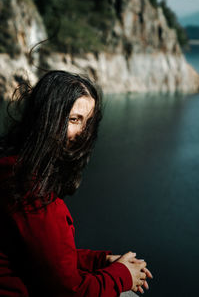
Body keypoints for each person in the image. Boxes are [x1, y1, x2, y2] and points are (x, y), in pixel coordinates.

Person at [0, 70, 153, 296]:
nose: (83, 133)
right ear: (46, 118)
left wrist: (101, 260)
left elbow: (46, 256)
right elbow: (69, 289)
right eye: (74, 119)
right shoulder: (29, 191)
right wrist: (122, 276)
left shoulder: (13, 167)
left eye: (87, 122)